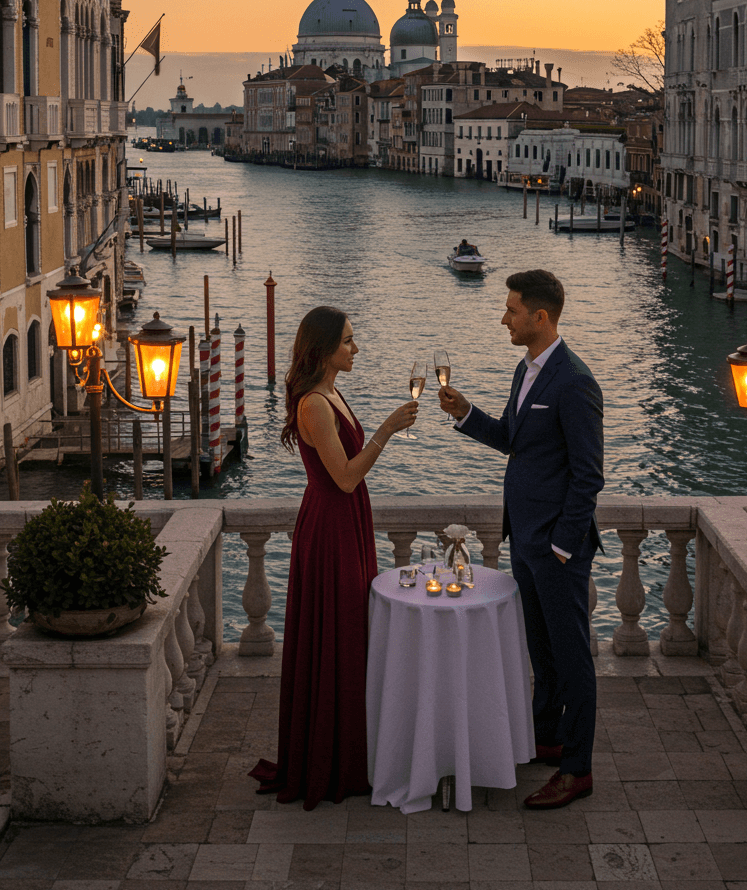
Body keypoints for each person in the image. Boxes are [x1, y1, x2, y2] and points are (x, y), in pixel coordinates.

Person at [438, 269, 604, 811]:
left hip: (555, 548)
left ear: (541, 316)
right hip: (525, 540)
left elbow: (588, 475)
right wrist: (466, 415)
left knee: (572, 657)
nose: (503, 318)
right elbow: (514, 440)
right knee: (543, 650)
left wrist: (561, 544)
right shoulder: (525, 370)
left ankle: (577, 769)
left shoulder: (575, 382)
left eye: (511, 310)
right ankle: (546, 737)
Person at [249, 306, 418, 809]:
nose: (356, 348)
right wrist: (386, 430)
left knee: (352, 633)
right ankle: (331, 758)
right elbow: (344, 477)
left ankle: (351, 749)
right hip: (330, 527)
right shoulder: (314, 406)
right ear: (323, 350)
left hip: (349, 521)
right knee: (338, 633)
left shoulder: (331, 393)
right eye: (348, 341)